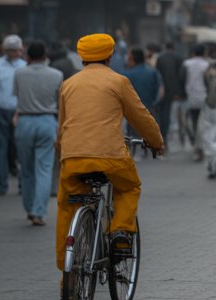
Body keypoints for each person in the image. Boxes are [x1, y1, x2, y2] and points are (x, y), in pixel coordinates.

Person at [54, 34, 164, 271]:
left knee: (67, 206)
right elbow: (141, 117)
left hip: (73, 158)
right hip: (110, 157)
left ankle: (68, 272)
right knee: (129, 187)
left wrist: (62, 151)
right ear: (110, 56)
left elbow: (62, 127)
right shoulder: (118, 81)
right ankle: (121, 232)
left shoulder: (68, 84)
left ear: (82, 56)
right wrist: (156, 142)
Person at [13, 41, 64, 226]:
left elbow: (16, 95)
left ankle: (29, 208)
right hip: (47, 121)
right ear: (44, 56)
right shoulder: (57, 74)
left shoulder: (19, 73)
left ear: (28, 56)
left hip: (24, 121)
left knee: (26, 169)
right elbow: (60, 101)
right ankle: (38, 212)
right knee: (44, 169)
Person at [0, 35, 25, 196]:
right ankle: (2, 186)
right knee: (2, 149)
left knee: (19, 149)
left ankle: (21, 185)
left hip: (18, 110)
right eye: (11, 50)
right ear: (5, 50)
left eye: (15, 50)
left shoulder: (23, 65)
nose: (14, 53)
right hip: (1, 110)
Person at [155, 41, 184, 147]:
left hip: (163, 89)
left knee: (163, 112)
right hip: (175, 91)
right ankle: (168, 134)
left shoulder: (160, 58)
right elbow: (181, 76)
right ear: (173, 47)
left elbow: (157, 74)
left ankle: (163, 134)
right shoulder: (179, 58)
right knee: (173, 113)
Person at [182, 45, 210, 156]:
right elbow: (208, 81)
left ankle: (195, 143)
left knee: (192, 121)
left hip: (190, 96)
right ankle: (201, 145)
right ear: (203, 53)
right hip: (203, 96)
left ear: (193, 52)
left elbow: (182, 79)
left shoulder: (186, 64)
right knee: (203, 122)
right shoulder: (206, 65)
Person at [125, 46, 163, 126]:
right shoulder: (153, 72)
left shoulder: (128, 75)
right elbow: (160, 91)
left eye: (128, 58)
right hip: (150, 112)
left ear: (132, 59)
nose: (127, 61)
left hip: (134, 116)